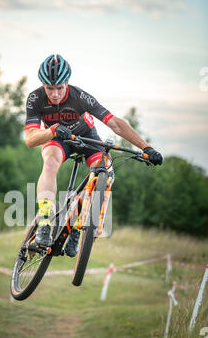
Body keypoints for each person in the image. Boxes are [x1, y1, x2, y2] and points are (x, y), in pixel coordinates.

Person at [24, 54, 163, 256]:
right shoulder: (35, 98)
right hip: (57, 138)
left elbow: (114, 123)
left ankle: (77, 223)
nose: (54, 94)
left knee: (105, 172)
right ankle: (45, 217)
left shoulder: (80, 97)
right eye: (49, 88)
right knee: (50, 162)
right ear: (43, 86)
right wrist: (52, 131)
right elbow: (30, 139)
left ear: (67, 83)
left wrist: (146, 148)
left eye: (59, 88)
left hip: (87, 138)